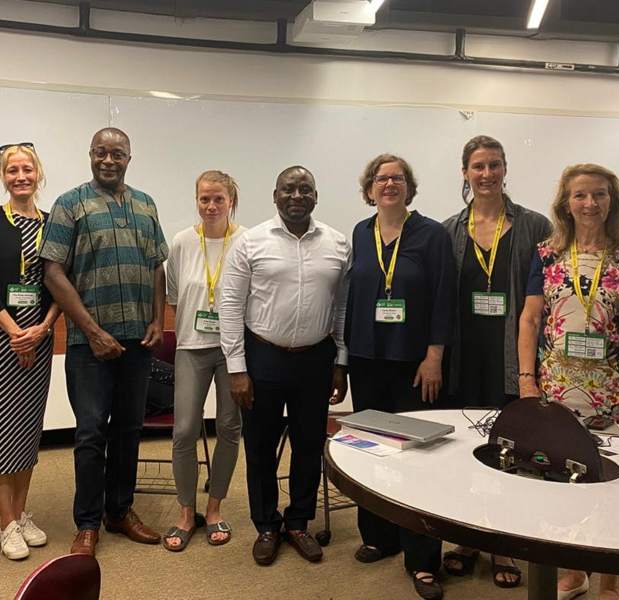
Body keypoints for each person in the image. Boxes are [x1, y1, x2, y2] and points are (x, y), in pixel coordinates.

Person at [518, 163, 619, 600]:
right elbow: (530, 319)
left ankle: (610, 582)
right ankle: (575, 571)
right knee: (563, 479)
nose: (590, 203)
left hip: (616, 393)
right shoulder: (546, 255)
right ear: (566, 203)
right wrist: (526, 381)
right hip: (556, 389)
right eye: (580, 195)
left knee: (616, 485)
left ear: (612, 201)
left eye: (599, 194)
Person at [40, 127, 167, 557]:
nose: (108, 160)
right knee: (91, 433)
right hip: (87, 344)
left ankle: (120, 511)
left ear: (129, 158)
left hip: (137, 342)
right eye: (100, 152)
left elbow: (156, 266)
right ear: (90, 155)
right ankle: (87, 523)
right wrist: (93, 332)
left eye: (117, 153)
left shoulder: (146, 204)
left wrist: (158, 318)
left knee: (129, 429)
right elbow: (53, 273)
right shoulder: (69, 204)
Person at [219, 165, 350, 567]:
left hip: (316, 357)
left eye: (305, 189)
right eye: (288, 189)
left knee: (309, 445)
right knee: (260, 446)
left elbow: (343, 307)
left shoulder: (337, 244)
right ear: (275, 196)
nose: (297, 196)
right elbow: (230, 305)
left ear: (316, 196)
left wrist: (341, 360)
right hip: (263, 357)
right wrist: (237, 369)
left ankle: (298, 523)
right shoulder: (250, 242)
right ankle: (266, 525)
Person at [440, 135, 551, 587]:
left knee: (510, 449)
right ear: (465, 173)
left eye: (494, 165)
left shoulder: (535, 226)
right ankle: (466, 538)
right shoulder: (449, 229)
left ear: (505, 169)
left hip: (512, 355)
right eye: (478, 166)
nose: (486, 174)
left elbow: (545, 299)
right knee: (465, 447)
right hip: (465, 356)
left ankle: (503, 544)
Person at [343, 154, 454, 600]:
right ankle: (379, 537)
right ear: (369, 188)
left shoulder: (432, 234)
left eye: (398, 178)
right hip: (367, 359)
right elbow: (354, 296)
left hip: (415, 363)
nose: (389, 184)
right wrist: (344, 358)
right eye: (381, 178)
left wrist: (434, 356)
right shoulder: (360, 232)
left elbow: (444, 297)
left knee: (419, 456)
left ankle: (423, 559)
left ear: (409, 187)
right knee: (371, 448)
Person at [0, 143, 62, 560]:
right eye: (12, 170)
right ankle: (6, 522)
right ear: (2, 176)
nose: (20, 177)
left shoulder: (54, 223)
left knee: (26, 426)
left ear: (38, 174)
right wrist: (15, 332)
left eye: (27, 169)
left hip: (40, 336)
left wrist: (42, 329)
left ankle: (21, 515)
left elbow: (62, 282)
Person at [163, 171, 246, 551]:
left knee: (229, 426)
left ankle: (214, 510)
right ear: (196, 200)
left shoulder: (246, 241)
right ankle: (186, 513)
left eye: (219, 199)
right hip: (192, 346)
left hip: (233, 350)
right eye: (204, 199)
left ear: (231, 201)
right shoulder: (182, 242)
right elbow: (175, 296)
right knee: (184, 430)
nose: (211, 206)